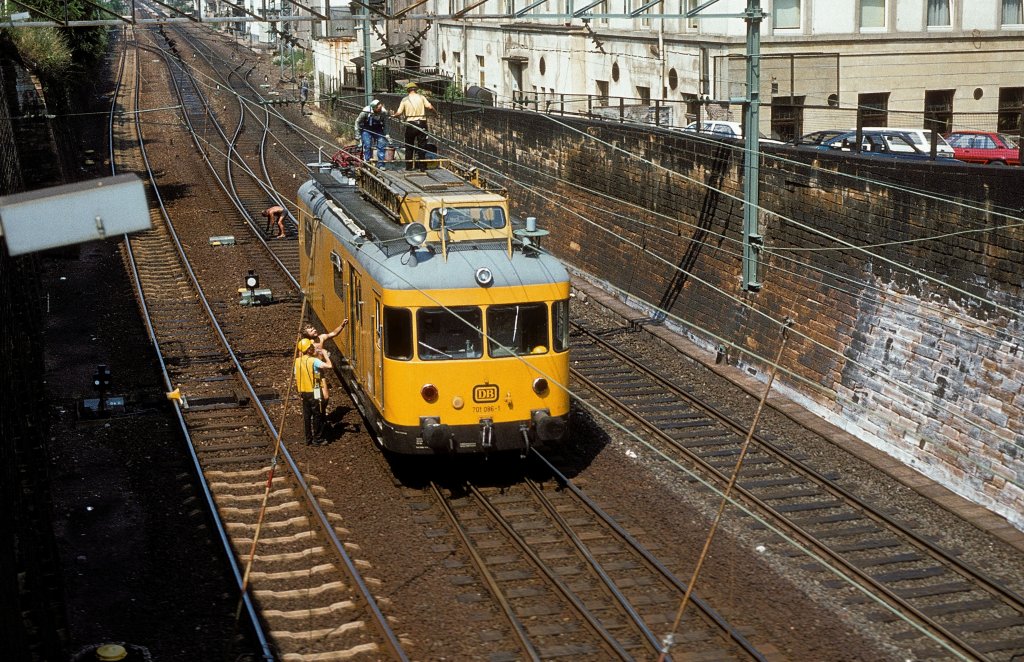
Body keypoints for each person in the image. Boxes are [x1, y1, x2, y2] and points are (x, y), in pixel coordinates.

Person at [295, 338, 332, 446]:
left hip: (303, 391)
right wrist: (325, 355)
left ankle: (308, 438)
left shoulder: (297, 361)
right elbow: (329, 366)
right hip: (314, 390)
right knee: (317, 414)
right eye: (311, 347)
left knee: (307, 415)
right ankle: (317, 439)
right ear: (309, 350)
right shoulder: (313, 361)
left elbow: (296, 376)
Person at [392, 81, 435, 170]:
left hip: (410, 124)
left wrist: (393, 115)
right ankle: (422, 167)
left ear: (408, 90)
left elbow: (399, 112)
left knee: (409, 145)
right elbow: (430, 107)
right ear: (416, 90)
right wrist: (436, 113)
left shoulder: (405, 100)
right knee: (422, 145)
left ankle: (408, 167)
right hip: (422, 123)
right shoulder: (422, 97)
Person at [355, 99, 389, 167]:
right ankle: (367, 162)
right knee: (367, 145)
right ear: (374, 108)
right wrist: (357, 134)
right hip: (367, 128)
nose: (379, 110)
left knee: (381, 144)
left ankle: (381, 164)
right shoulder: (365, 111)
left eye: (380, 108)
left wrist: (387, 134)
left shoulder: (383, 112)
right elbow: (357, 122)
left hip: (378, 128)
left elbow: (385, 124)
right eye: (378, 109)